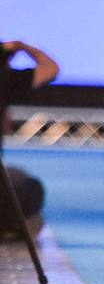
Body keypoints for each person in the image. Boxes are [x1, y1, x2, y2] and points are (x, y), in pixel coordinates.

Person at [1, 40, 58, 239]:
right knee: (31, 187)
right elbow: (51, 68)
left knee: (16, 175)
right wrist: (22, 47)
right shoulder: (6, 80)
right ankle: (11, 226)